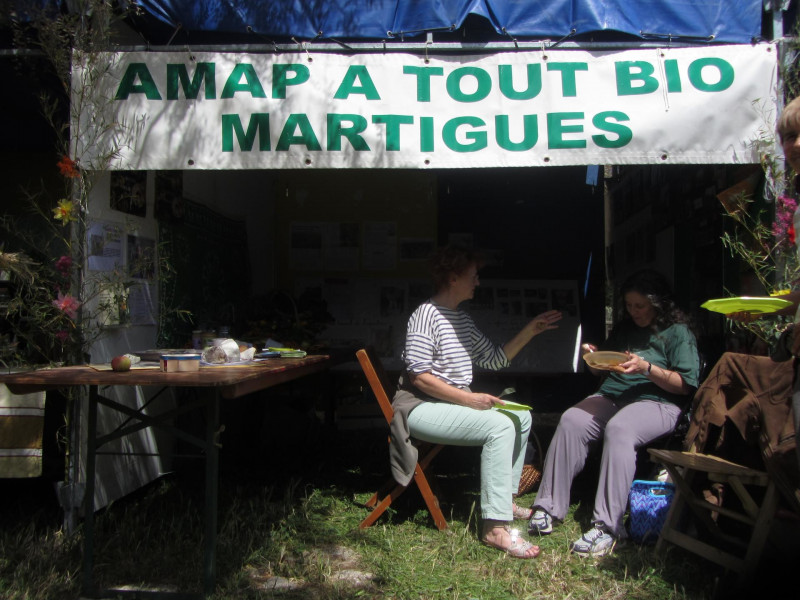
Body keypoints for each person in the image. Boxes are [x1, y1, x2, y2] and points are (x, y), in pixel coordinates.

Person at [390, 244, 562, 559]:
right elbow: (420, 377)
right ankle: (495, 529)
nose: (478, 282)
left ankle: (504, 500)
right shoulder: (425, 315)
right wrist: (469, 400)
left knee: (520, 418)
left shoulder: (462, 321)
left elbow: (496, 359)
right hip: (418, 407)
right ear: (453, 278)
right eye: (473, 276)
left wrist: (530, 331)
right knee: (498, 426)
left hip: (449, 405)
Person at [527, 269, 700, 557]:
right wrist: (592, 359)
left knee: (620, 428)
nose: (634, 311)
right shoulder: (624, 329)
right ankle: (548, 506)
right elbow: (604, 367)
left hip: (658, 401)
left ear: (658, 303)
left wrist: (647, 368)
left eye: (640, 306)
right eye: (629, 305)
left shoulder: (678, 333)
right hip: (613, 394)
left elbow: (685, 385)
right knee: (572, 419)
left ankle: (607, 526)